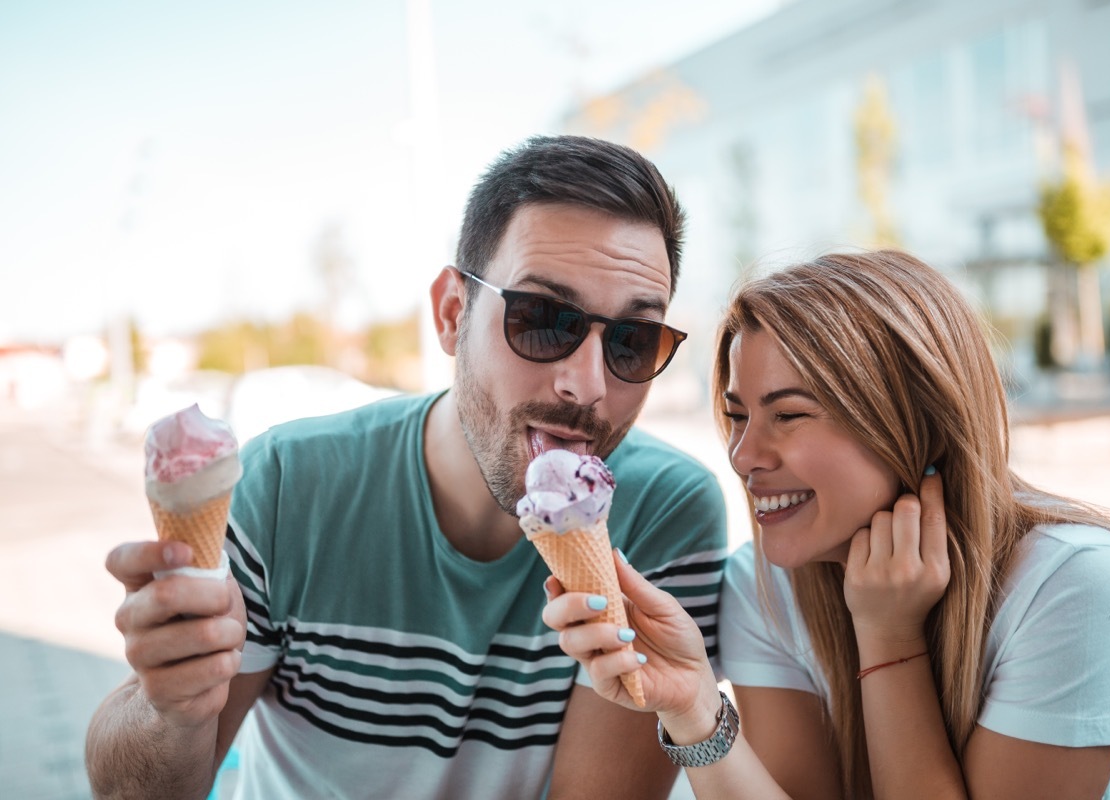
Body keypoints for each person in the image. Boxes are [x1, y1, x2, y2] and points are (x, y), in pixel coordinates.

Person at [86, 135, 728, 799]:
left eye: (632, 339)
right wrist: (170, 707)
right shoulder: (289, 485)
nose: (588, 385)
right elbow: (139, 790)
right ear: (452, 314)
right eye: (542, 319)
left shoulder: (666, 512)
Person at [544, 250, 1110, 799]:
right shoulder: (764, 586)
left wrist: (889, 637)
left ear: (912, 421)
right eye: (738, 416)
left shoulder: (1075, 583)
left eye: (787, 415)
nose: (743, 456)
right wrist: (694, 708)